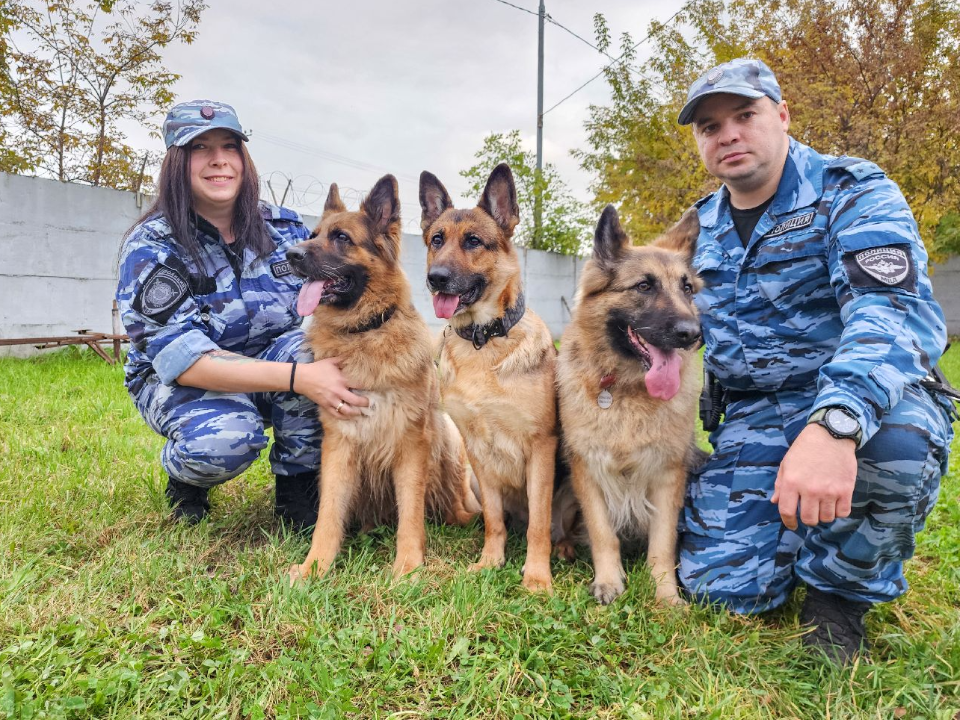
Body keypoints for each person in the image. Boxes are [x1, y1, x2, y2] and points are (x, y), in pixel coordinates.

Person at [676, 58, 957, 662]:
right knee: (718, 589)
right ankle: (790, 538)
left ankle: (839, 594)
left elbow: (890, 314)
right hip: (753, 414)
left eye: (743, 115)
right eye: (708, 126)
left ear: (781, 115)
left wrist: (835, 427)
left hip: (861, 403)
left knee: (898, 452)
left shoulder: (851, 191)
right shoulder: (698, 229)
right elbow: (670, 321)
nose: (727, 134)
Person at [116, 100, 368, 528]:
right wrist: (299, 378)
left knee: (326, 359)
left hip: (272, 360)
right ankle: (186, 478)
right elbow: (185, 360)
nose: (219, 160)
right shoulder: (153, 247)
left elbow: (342, 295)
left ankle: (299, 492)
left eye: (229, 146)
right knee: (227, 440)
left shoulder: (283, 229)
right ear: (177, 162)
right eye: (200, 148)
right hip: (181, 379)